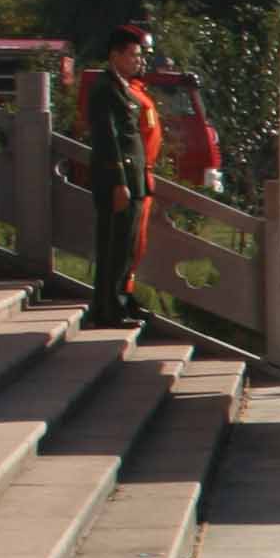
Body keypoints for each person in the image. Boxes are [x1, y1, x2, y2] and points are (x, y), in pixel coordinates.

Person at [80, 23, 163, 330]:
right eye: (133, 55)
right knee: (114, 246)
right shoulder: (105, 89)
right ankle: (108, 308)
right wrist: (119, 182)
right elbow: (108, 138)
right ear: (115, 55)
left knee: (127, 246)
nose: (137, 61)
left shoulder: (124, 88)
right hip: (119, 181)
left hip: (134, 179)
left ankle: (120, 301)